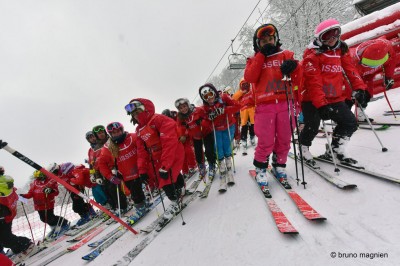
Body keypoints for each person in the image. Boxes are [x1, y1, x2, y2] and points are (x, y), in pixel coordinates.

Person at [299, 19, 368, 166]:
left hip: (335, 97)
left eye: (335, 34)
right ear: (319, 38)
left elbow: (351, 71)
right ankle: (304, 148)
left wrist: (360, 88)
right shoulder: (312, 56)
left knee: (350, 123)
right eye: (327, 36)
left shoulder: (341, 51)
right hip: (312, 99)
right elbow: (314, 83)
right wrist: (321, 104)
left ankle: (336, 149)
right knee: (312, 126)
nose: (332, 39)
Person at [244, 23, 301, 193]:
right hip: (264, 105)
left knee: (284, 138)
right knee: (266, 141)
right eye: (263, 41)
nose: (268, 43)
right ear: (258, 44)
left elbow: (299, 77)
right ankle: (261, 169)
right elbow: (250, 77)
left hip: (285, 102)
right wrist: (261, 56)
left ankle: (279, 164)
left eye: (271, 39)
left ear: (276, 39)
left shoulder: (286, 54)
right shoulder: (253, 59)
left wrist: (294, 67)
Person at [124, 98, 185, 224]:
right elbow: (141, 152)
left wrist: (165, 165)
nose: (136, 116)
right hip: (157, 156)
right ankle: (179, 188)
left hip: (172, 151)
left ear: (144, 109)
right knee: (162, 177)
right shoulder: (139, 130)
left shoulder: (159, 120)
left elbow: (169, 142)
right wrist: (142, 171)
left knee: (166, 178)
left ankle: (175, 201)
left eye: (137, 112)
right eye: (133, 114)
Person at [97, 122, 148, 219]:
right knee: (134, 191)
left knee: (137, 191)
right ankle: (142, 204)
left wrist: (143, 167)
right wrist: (110, 177)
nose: (117, 134)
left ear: (122, 130)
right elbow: (101, 164)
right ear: (110, 135)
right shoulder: (108, 147)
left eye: (118, 131)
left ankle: (141, 205)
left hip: (139, 170)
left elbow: (142, 152)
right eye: (114, 133)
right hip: (125, 175)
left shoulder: (132, 137)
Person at [198, 83, 240, 191]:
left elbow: (237, 106)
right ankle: (222, 167)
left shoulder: (224, 98)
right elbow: (204, 123)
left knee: (226, 147)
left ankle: (229, 166)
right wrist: (209, 118)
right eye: (206, 97)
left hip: (228, 125)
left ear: (214, 92)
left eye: (210, 94)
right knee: (218, 148)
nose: (209, 98)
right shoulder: (205, 108)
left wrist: (224, 110)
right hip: (216, 129)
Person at [348, 37, 396, 121]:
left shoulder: (386, 49)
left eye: (376, 65)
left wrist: (388, 77)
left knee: (367, 95)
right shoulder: (351, 59)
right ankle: (342, 117)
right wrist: (358, 89)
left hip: (368, 77)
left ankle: (359, 114)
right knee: (349, 97)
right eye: (369, 64)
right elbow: (349, 78)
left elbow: (391, 62)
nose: (373, 67)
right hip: (352, 78)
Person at [19, 170, 70, 237]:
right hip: (38, 205)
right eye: (37, 177)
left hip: (48, 203)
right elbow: (30, 193)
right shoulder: (34, 183)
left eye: (39, 177)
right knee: (43, 219)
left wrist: (51, 191)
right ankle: (54, 227)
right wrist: (24, 196)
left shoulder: (51, 181)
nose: (38, 178)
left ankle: (64, 223)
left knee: (50, 217)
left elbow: (56, 192)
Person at [0, 174, 38, 264]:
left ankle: (27, 245)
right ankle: (16, 249)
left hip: (4, 214)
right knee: (4, 236)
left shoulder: (3, 183)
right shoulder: (5, 180)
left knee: (4, 238)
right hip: (6, 214)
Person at [175, 98, 215, 180]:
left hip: (206, 132)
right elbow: (179, 126)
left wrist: (202, 121)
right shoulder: (180, 117)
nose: (183, 109)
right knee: (198, 153)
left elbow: (208, 117)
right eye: (181, 108)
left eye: (184, 106)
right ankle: (201, 167)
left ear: (188, 105)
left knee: (209, 150)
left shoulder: (197, 110)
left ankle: (212, 165)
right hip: (195, 135)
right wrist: (182, 134)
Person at [164, 106, 197, 179]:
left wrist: (184, 135)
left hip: (185, 137)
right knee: (180, 156)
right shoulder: (166, 123)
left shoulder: (178, 117)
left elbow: (184, 126)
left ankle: (192, 166)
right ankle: (185, 171)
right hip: (177, 140)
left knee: (188, 151)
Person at [232, 79, 256, 154]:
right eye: (243, 85)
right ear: (241, 86)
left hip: (251, 109)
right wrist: (241, 92)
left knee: (253, 125)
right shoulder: (240, 94)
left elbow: (255, 97)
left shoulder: (251, 92)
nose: (245, 86)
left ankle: (252, 137)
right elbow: (233, 98)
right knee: (244, 126)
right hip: (243, 111)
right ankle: (244, 139)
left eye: (246, 85)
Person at [85, 131, 108, 208]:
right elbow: (91, 163)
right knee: (105, 190)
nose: (92, 139)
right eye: (90, 138)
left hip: (107, 168)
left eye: (93, 136)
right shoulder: (90, 150)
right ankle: (112, 205)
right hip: (98, 172)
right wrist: (92, 174)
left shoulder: (102, 144)